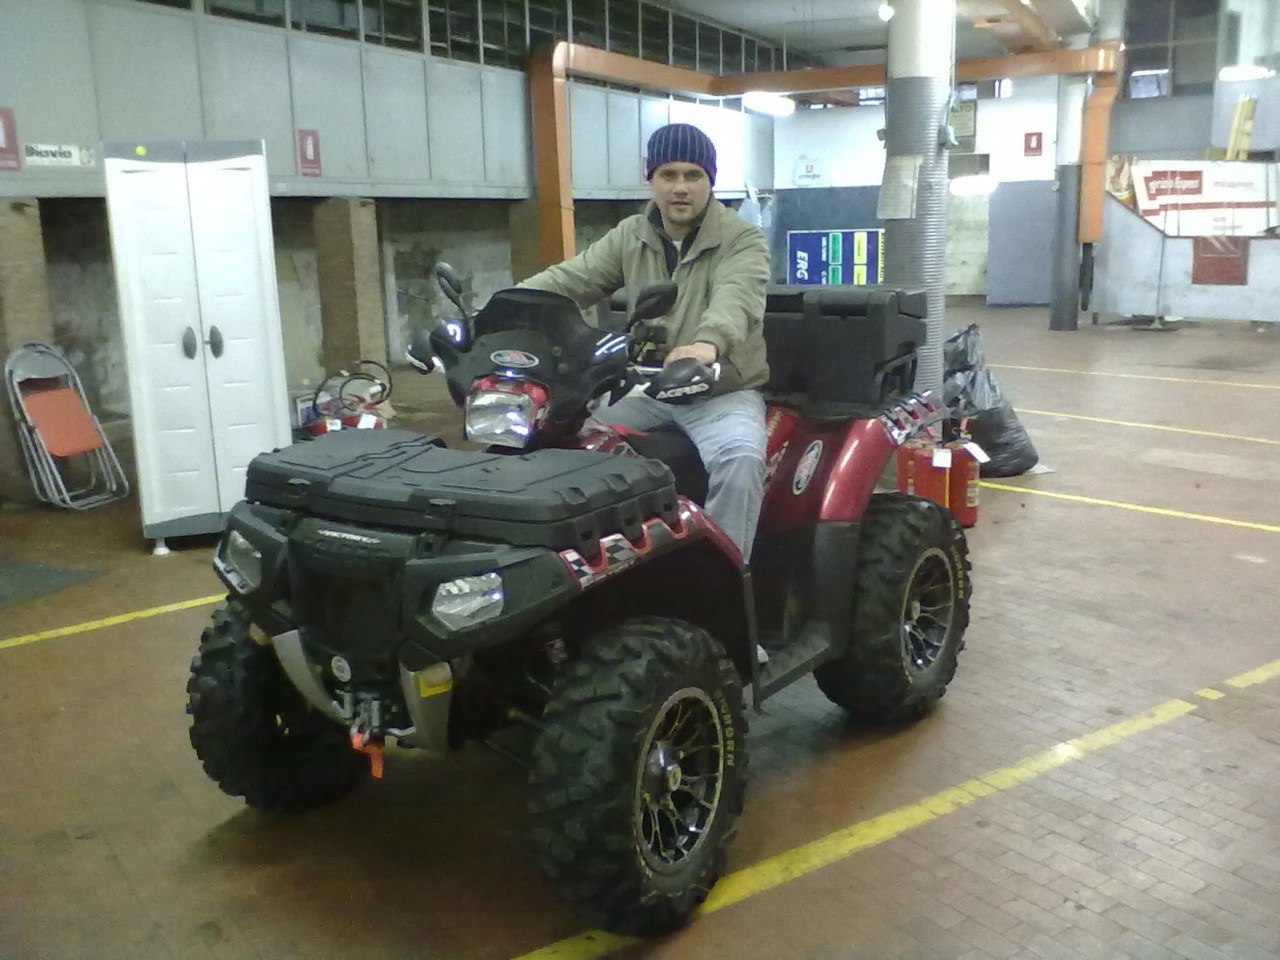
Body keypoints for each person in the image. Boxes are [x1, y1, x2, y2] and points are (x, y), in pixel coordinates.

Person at [519, 122, 769, 560]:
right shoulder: (631, 235)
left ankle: (724, 575)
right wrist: (499, 309)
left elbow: (737, 298)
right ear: (649, 176)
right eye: (668, 174)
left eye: (693, 175)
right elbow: (570, 279)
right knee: (565, 436)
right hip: (646, 386)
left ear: (710, 180)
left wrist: (706, 345)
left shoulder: (741, 239)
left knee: (740, 460)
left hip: (719, 389)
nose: (680, 187)